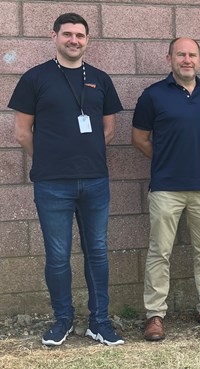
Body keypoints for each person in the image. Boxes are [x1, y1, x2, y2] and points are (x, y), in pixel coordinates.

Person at [9, 13, 124, 346]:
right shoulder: (35, 78)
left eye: (80, 35)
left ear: (88, 40)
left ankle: (99, 322)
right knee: (58, 256)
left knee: (98, 253)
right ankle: (62, 319)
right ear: (54, 36)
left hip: (95, 182)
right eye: (68, 34)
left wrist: (83, 157)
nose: (74, 40)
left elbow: (109, 129)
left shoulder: (100, 79)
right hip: (52, 183)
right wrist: (49, 160)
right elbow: (21, 133)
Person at [132, 37, 200, 341]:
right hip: (166, 188)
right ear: (170, 59)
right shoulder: (153, 95)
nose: (186, 60)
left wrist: (195, 156)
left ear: (199, 60)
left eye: (192, 55)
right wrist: (167, 158)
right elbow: (139, 137)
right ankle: (155, 314)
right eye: (181, 55)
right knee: (159, 252)